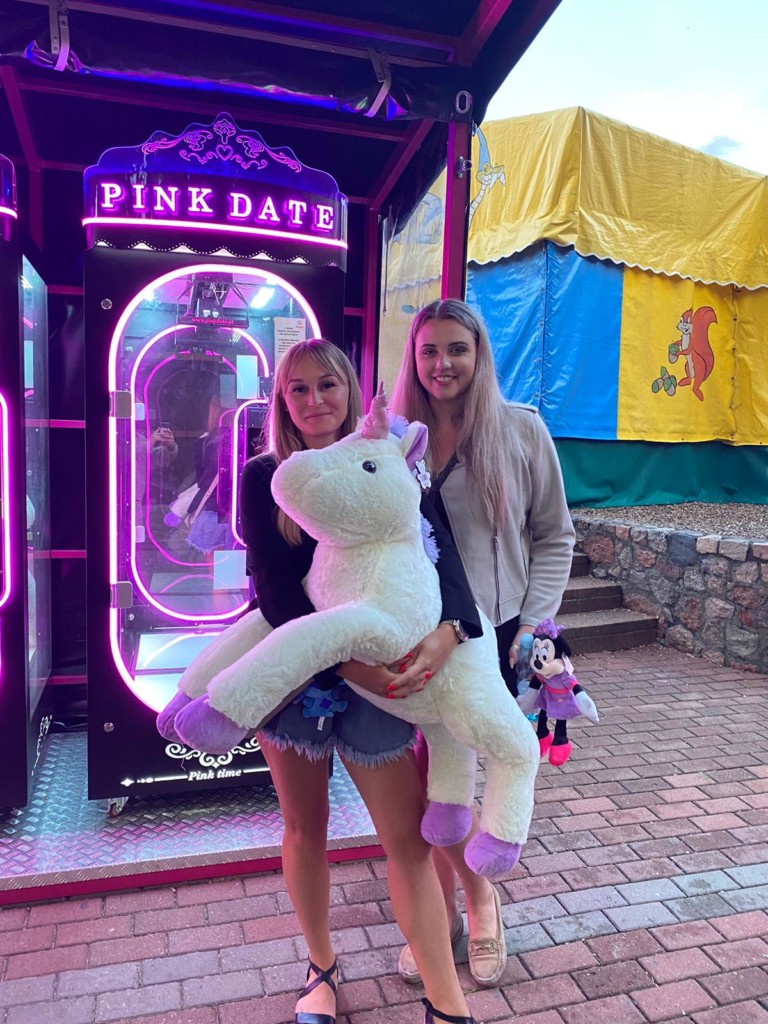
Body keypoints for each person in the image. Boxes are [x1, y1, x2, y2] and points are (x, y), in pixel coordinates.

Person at [239, 338, 482, 1024]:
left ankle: (446, 1001)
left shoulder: (390, 452)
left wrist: (450, 630)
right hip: (298, 673)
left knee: (406, 840)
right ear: (281, 401)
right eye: (298, 388)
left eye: (328, 385)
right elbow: (273, 589)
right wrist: (347, 664)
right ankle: (320, 967)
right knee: (303, 826)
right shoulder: (267, 476)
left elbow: (442, 555)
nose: (314, 400)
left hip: (386, 679)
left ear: (351, 390)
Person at [389, 298, 575, 988]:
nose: (442, 364)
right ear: (414, 357)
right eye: (429, 350)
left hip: (493, 632)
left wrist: (533, 623)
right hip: (415, 632)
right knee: (429, 779)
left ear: (479, 354)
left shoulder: (521, 430)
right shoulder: (396, 436)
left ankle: (482, 900)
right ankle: (450, 905)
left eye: (457, 349)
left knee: (480, 766)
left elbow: (555, 534)